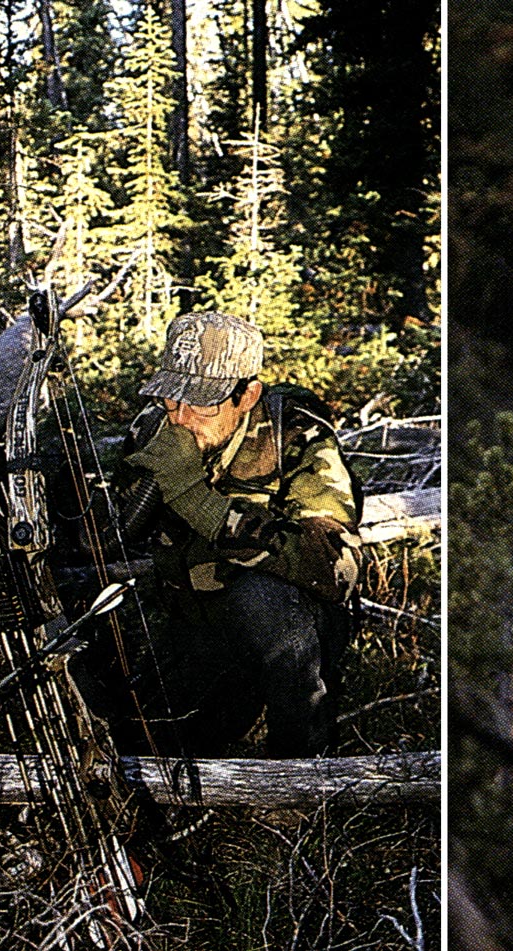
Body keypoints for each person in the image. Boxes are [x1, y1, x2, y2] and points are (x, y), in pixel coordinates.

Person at [119, 311, 360, 757]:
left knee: (263, 603)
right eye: (172, 400)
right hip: (197, 626)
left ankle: (299, 774)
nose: (183, 418)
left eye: (204, 403)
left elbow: (336, 568)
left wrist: (202, 504)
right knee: (146, 741)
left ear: (247, 395)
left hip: (287, 631)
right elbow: (112, 531)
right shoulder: (156, 429)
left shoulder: (295, 435)